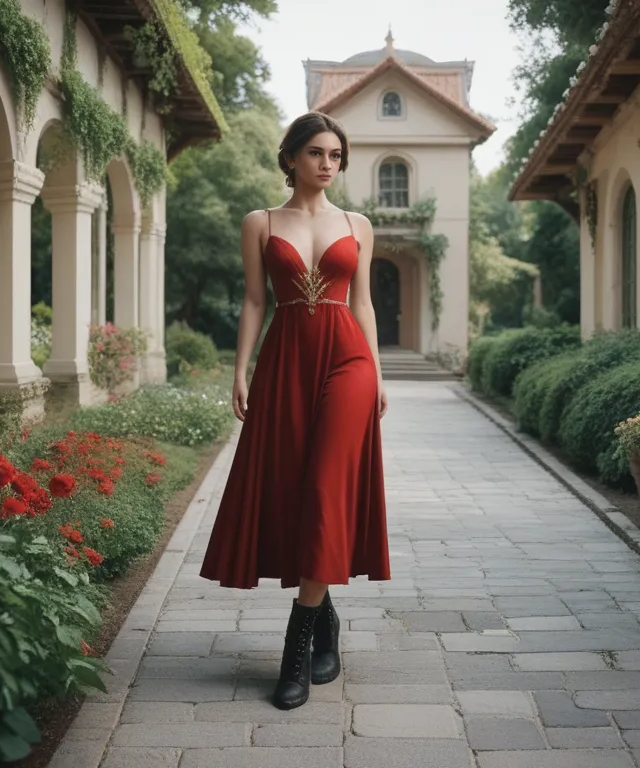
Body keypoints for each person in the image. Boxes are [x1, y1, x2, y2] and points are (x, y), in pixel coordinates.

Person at [198, 112, 390, 711]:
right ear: (290, 158)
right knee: (293, 493)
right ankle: (327, 621)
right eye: (316, 153)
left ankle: (295, 651)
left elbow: (363, 304)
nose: (327, 164)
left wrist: (377, 373)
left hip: (348, 363)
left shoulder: (357, 224)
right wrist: (240, 367)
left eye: (336, 154)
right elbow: (256, 300)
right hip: (285, 363)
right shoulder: (260, 222)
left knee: (327, 490)